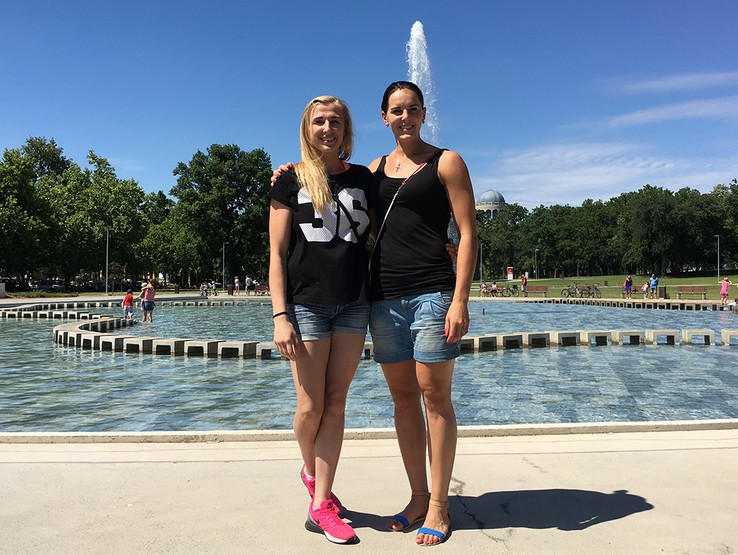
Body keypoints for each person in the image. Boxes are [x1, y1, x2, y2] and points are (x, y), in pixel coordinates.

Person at [368, 81, 477, 546]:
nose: (405, 117)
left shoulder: (446, 162)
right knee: (402, 400)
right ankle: (417, 497)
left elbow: (468, 233)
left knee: (435, 399)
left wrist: (460, 299)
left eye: (413, 109)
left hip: (432, 295)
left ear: (424, 113)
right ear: (384, 117)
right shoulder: (373, 171)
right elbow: (330, 188)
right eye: (397, 110)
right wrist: (288, 172)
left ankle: (439, 505)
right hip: (383, 299)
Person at [268, 95, 372, 544]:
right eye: (319, 122)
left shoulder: (364, 178)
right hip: (307, 304)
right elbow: (276, 254)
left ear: (346, 130)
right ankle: (311, 473)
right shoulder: (289, 180)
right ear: (307, 129)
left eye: (335, 122)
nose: (327, 129)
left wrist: (444, 243)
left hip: (354, 302)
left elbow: (400, 215)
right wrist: (280, 316)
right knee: (310, 407)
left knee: (337, 403)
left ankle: (321, 503)